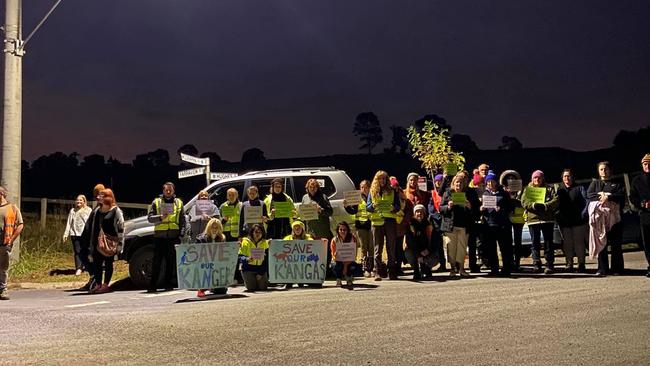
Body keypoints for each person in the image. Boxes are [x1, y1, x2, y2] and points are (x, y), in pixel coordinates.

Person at [587, 161, 625, 276]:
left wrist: (609, 196)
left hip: (614, 219)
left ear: (610, 170)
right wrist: (601, 196)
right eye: (601, 169)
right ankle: (602, 269)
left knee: (616, 244)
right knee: (601, 243)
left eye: (606, 169)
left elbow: (621, 196)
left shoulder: (617, 184)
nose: (604, 171)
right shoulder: (595, 183)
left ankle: (617, 269)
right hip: (600, 220)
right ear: (598, 171)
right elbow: (589, 195)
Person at [147, 182, 186, 293]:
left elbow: (182, 220)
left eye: (170, 190)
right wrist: (160, 217)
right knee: (157, 262)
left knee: (171, 262)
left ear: (174, 191)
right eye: (166, 190)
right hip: (160, 237)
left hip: (173, 237)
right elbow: (149, 218)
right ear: (163, 191)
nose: (168, 192)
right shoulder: (156, 202)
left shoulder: (179, 203)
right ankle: (152, 285)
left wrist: (181, 233)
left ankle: (168, 284)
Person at [521, 170, 559, 274]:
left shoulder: (549, 188)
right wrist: (533, 205)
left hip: (547, 219)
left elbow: (556, 200)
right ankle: (536, 263)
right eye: (535, 178)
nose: (537, 180)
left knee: (548, 243)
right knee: (535, 243)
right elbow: (524, 202)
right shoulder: (528, 190)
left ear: (542, 178)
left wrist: (546, 205)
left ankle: (549, 264)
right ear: (532, 179)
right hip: (533, 220)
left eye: (539, 178)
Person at [366, 171, 401, 280]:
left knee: (391, 247)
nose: (382, 181)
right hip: (376, 222)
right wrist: (373, 206)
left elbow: (398, 206)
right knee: (377, 248)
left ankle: (392, 271)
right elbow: (368, 207)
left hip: (390, 221)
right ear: (376, 180)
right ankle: (377, 271)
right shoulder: (372, 192)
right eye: (380, 179)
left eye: (384, 179)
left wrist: (393, 208)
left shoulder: (392, 191)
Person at [89, 189, 124, 294]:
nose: (99, 197)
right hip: (97, 242)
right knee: (96, 264)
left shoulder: (116, 210)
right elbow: (93, 227)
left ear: (108, 197)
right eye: (99, 195)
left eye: (102, 196)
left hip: (110, 243)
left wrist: (120, 245)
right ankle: (98, 284)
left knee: (108, 263)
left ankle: (106, 285)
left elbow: (121, 228)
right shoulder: (97, 211)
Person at [480, 172, 513, 276]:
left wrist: (501, 209)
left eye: (492, 181)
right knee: (491, 248)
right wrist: (481, 209)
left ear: (496, 182)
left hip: (502, 225)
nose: (490, 184)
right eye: (488, 182)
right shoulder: (485, 194)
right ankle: (494, 269)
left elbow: (511, 208)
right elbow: (481, 208)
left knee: (504, 248)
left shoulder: (503, 193)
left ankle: (506, 269)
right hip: (489, 225)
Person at [440, 174, 474, 277]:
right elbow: (441, 209)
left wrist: (469, 206)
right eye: (456, 182)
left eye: (460, 182)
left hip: (463, 225)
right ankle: (452, 269)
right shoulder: (448, 193)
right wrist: (448, 207)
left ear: (463, 184)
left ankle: (462, 269)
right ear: (453, 184)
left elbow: (474, 211)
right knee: (451, 247)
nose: (458, 184)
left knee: (462, 248)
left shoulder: (467, 194)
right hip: (450, 226)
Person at [556, 169, 588, 273]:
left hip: (579, 221)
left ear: (572, 177)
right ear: (562, 178)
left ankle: (581, 264)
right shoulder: (560, 190)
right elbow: (556, 205)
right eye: (565, 176)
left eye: (568, 176)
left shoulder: (580, 188)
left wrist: (583, 214)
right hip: (565, 222)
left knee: (579, 243)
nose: (567, 178)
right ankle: (569, 263)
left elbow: (587, 202)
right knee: (567, 244)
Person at [301, 178, 334, 272]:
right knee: (312, 251)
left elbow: (330, 212)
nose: (313, 188)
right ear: (307, 187)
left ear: (317, 188)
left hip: (322, 229)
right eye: (310, 186)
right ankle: (313, 270)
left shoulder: (323, 197)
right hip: (310, 229)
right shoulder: (305, 198)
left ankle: (325, 270)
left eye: (315, 186)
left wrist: (321, 210)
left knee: (323, 251)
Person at [79, 183, 106, 291]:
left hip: (95, 239)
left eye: (99, 194)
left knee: (92, 259)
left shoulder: (102, 207)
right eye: (96, 194)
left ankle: (95, 280)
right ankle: (93, 278)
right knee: (83, 255)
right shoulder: (96, 207)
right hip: (88, 238)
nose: (97, 196)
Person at [344, 180, 373, 277]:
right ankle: (365, 268)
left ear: (369, 187)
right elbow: (353, 211)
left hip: (372, 224)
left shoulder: (373, 196)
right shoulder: (357, 198)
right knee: (364, 247)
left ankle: (372, 267)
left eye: (365, 187)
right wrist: (346, 207)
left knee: (371, 247)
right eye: (362, 187)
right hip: (361, 226)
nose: (363, 189)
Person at [0, 186, 24, 300]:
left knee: (3, 268)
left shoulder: (12, 208)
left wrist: (11, 240)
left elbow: (20, 225)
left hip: (5, 243)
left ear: (2, 194)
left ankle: (3, 290)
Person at [629, 153, 650, 277]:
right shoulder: (637, 180)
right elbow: (633, 197)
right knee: (647, 243)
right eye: (645, 164)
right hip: (645, 216)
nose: (647, 165)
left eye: (649, 163)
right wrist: (642, 204)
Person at [499, 170, 525, 271]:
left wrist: (516, 195)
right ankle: (509, 263)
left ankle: (517, 263)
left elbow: (524, 202)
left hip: (519, 219)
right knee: (508, 243)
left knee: (518, 243)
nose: (511, 180)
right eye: (509, 178)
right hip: (507, 219)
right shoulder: (503, 190)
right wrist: (507, 194)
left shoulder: (521, 190)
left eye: (513, 178)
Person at [195, 218, 227, 297]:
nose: (214, 229)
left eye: (216, 228)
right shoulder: (201, 239)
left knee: (222, 291)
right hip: (205, 264)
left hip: (217, 265)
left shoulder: (222, 238)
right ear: (209, 227)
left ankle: (212, 287)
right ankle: (201, 288)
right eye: (212, 227)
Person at [405, 204, 437, 280]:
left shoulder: (429, 224)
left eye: (421, 212)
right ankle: (416, 270)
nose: (419, 214)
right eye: (417, 212)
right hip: (415, 251)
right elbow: (410, 242)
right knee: (408, 252)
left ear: (424, 214)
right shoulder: (410, 225)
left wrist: (428, 250)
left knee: (435, 255)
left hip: (427, 250)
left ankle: (427, 269)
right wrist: (419, 254)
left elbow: (435, 241)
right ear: (414, 213)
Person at [63, 194, 92, 276]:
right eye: (77, 200)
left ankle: (87, 267)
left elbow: (91, 222)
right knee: (77, 251)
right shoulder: (73, 211)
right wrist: (66, 233)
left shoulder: (88, 210)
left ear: (84, 201)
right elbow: (69, 223)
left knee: (86, 251)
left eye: (80, 200)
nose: (78, 201)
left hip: (85, 234)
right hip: (74, 234)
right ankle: (78, 268)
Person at [282, 220, 313, 289]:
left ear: (302, 229)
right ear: (293, 230)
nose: (297, 230)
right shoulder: (287, 238)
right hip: (291, 263)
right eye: (295, 228)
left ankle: (302, 281)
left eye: (299, 228)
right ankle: (289, 282)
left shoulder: (308, 238)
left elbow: (313, 245)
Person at [239, 224, 269, 292]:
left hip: (260, 268)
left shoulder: (265, 243)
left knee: (263, 287)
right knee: (251, 288)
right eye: (256, 232)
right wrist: (246, 259)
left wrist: (261, 273)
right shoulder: (245, 242)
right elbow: (240, 257)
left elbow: (266, 260)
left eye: (260, 232)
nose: (258, 234)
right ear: (252, 232)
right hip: (247, 269)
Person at [391, 176, 412, 276]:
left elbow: (408, 210)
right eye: (391, 186)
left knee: (398, 248)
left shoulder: (402, 197)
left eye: (395, 186)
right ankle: (391, 267)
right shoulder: (387, 196)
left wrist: (404, 222)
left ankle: (398, 267)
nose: (393, 188)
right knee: (391, 248)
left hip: (400, 227)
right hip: (390, 227)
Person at [330, 221, 358, 287]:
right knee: (335, 265)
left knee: (354, 266)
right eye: (341, 230)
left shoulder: (353, 239)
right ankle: (338, 278)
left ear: (347, 230)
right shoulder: (334, 240)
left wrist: (345, 265)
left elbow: (354, 254)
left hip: (349, 261)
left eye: (344, 230)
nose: (342, 231)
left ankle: (349, 277)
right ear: (338, 230)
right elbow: (333, 256)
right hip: (338, 261)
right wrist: (335, 255)